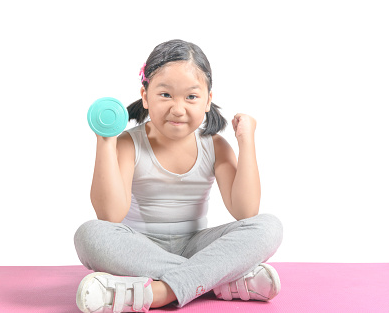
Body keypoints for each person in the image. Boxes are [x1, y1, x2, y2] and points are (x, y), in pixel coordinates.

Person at [74, 39, 283, 312]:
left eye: (191, 97)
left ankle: (160, 291)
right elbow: (110, 215)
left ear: (208, 100)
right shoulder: (129, 143)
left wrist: (246, 141)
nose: (178, 108)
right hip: (139, 249)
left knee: (268, 226)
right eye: (165, 95)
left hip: (198, 246)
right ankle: (215, 281)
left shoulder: (215, 145)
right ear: (145, 95)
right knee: (89, 234)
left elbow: (246, 211)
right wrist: (106, 141)